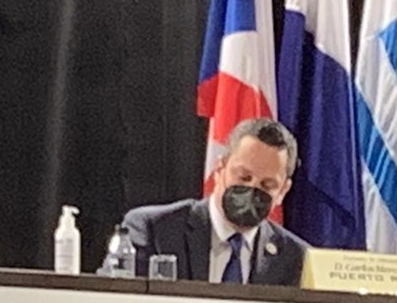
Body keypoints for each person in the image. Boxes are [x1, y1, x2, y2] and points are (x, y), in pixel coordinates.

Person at [112, 118, 307, 285]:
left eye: (267, 185)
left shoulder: (299, 258)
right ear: (220, 168)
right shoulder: (153, 230)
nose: (252, 190)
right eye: (244, 177)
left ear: (283, 191)